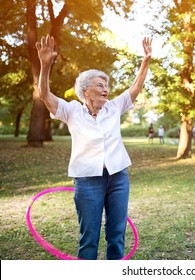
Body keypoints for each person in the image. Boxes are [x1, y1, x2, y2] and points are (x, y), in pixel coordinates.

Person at [35, 34, 152, 260]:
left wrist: (145, 60)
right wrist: (45, 65)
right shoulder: (72, 111)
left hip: (118, 177)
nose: (106, 89)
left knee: (116, 235)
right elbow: (45, 95)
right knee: (89, 239)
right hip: (88, 180)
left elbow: (136, 86)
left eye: (106, 85)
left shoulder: (114, 107)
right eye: (100, 85)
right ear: (85, 91)